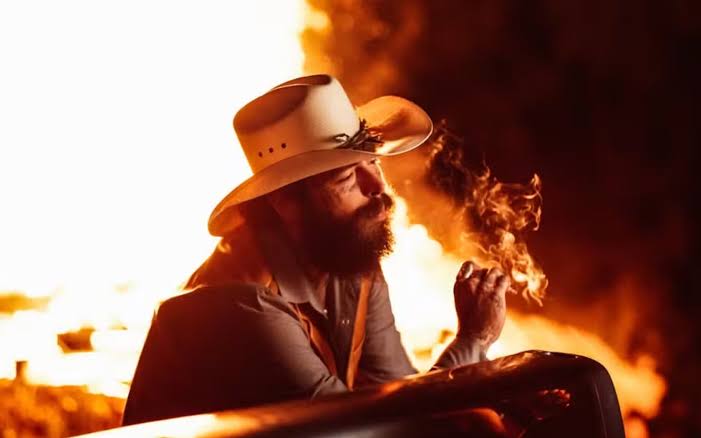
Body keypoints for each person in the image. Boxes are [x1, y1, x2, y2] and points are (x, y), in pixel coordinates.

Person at [122, 74, 510, 426]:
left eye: (373, 163)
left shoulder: (350, 259)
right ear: (285, 202)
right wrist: (472, 342)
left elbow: (397, 394)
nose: (377, 186)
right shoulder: (240, 306)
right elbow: (371, 432)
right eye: (347, 177)